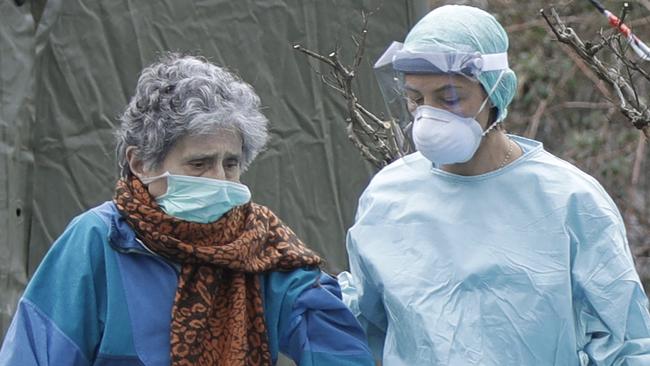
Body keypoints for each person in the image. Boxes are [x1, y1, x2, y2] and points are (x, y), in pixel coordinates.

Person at [0, 53, 373, 366]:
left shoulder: (260, 245)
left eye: (230, 163)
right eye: (199, 164)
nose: (219, 180)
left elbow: (333, 339)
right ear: (141, 163)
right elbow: (35, 353)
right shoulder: (100, 240)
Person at [339, 4, 650, 365]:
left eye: (449, 98)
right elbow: (356, 320)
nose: (428, 116)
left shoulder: (569, 199)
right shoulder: (388, 197)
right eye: (415, 100)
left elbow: (627, 343)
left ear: (496, 91)